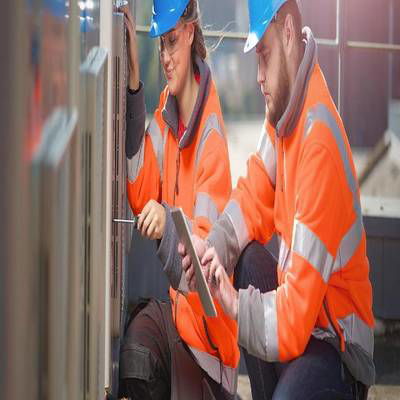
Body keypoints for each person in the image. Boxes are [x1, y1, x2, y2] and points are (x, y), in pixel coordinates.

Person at [179, 0, 375, 399]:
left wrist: (234, 304)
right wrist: (213, 248)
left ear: (288, 35)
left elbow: (293, 319)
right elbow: (252, 196)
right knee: (246, 258)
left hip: (339, 350)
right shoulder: (286, 114)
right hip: (307, 326)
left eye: (263, 54)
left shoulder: (317, 140)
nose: (258, 76)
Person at [118, 1, 239, 399]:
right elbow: (141, 192)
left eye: (171, 42)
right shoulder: (168, 116)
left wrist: (166, 220)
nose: (166, 57)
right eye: (160, 46)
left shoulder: (211, 143)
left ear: (189, 33)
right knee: (136, 352)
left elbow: (198, 278)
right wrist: (134, 82)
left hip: (207, 345)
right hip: (178, 319)